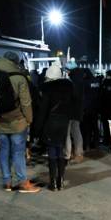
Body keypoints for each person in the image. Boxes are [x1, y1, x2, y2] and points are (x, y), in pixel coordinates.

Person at [0, 51, 39, 192]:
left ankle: (6, 181)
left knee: (4, 150)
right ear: (16, 62)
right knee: (18, 152)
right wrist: (29, 119)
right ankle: (23, 182)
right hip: (18, 121)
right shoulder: (19, 78)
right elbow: (26, 102)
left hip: (0, 119)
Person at [35, 63, 75, 191]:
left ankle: (53, 182)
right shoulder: (69, 88)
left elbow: (42, 112)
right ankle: (60, 181)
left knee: (52, 152)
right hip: (64, 123)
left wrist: (37, 129)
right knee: (60, 151)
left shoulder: (47, 90)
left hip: (50, 123)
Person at [66, 66, 85, 163]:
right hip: (78, 112)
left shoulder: (70, 84)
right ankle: (79, 152)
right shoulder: (82, 83)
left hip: (69, 112)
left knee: (67, 134)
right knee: (77, 132)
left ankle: (67, 154)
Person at [99, 69, 111, 148]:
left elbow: (102, 94)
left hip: (106, 108)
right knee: (109, 125)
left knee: (106, 125)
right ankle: (108, 140)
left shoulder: (107, 83)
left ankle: (107, 140)